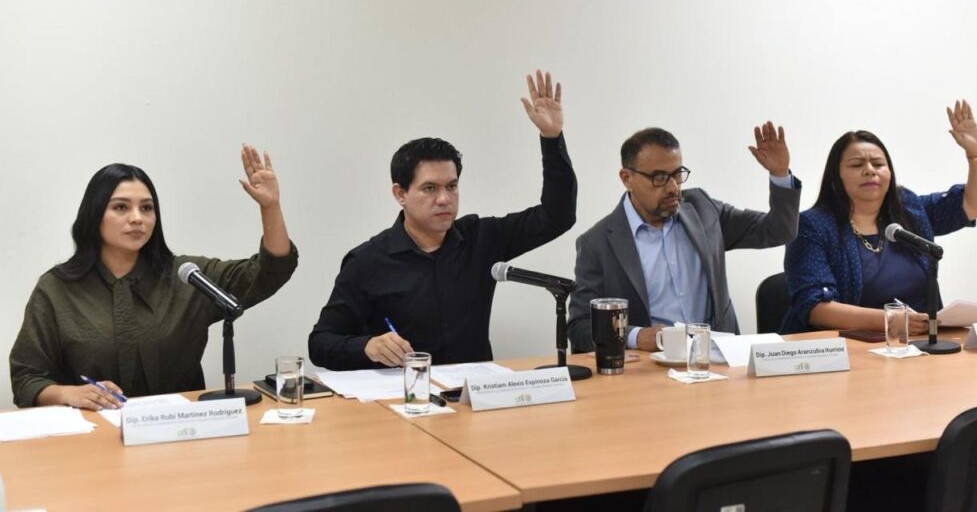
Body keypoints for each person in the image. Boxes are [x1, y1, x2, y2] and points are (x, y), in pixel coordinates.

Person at [309, 71, 577, 370]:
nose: (444, 199)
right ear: (400, 193)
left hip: (472, 391)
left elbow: (557, 217)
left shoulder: (481, 238)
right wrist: (367, 346)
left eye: (451, 186)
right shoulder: (367, 261)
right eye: (429, 188)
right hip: (405, 393)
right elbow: (320, 344)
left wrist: (551, 139)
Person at [9, 145, 298, 409]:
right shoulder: (57, 288)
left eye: (146, 208)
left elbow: (269, 272)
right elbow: (26, 378)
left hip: (182, 432)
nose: (137, 218)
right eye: (121, 207)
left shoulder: (187, 277)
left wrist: (270, 206)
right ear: (94, 215)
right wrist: (68, 394)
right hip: (93, 433)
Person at [568, 123, 801, 352]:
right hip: (651, 365)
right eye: (659, 177)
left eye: (677, 175)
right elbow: (581, 327)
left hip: (717, 358)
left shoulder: (702, 209)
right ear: (627, 178)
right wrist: (636, 337)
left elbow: (779, 230)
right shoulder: (597, 243)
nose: (673, 188)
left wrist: (779, 174)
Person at [780, 100, 977, 334]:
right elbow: (815, 308)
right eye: (857, 165)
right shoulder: (812, 226)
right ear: (836, 177)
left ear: (890, 173)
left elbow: (975, 203)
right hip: (849, 348)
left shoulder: (909, 209)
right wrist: (889, 320)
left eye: (878, 164)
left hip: (919, 343)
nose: (870, 170)